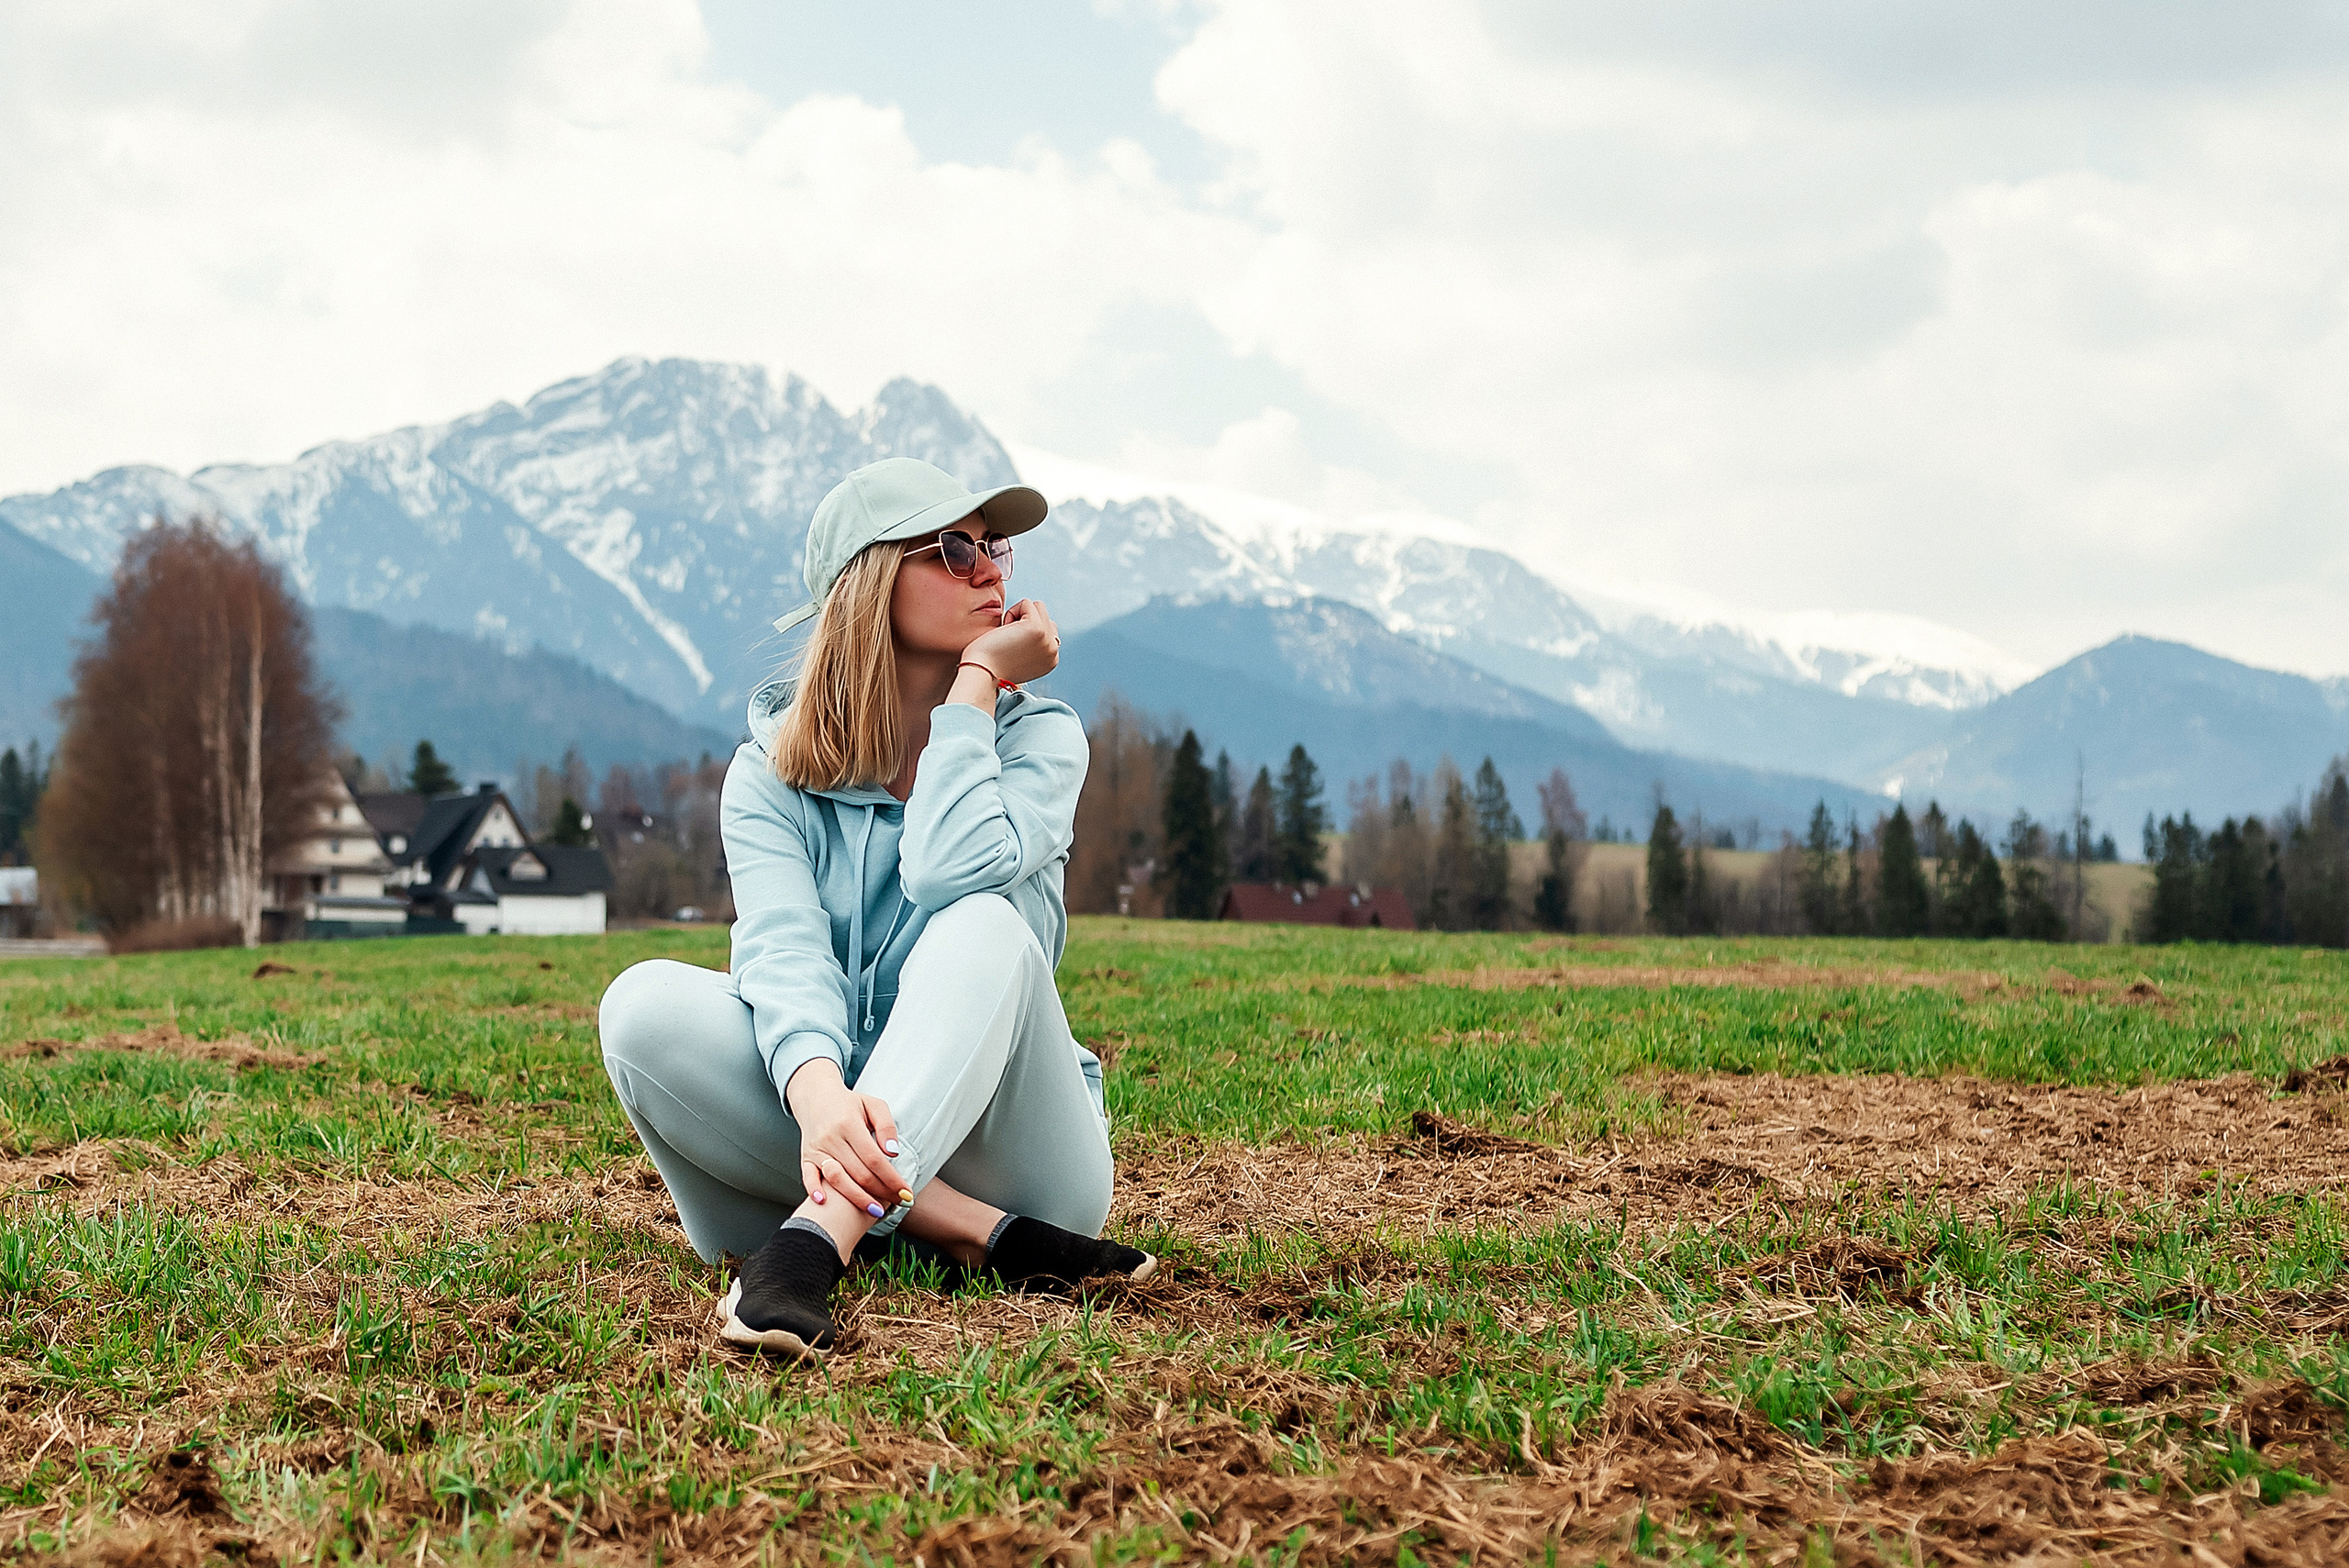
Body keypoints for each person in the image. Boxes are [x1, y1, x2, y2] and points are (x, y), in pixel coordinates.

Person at [597, 457, 1153, 1360]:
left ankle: (814, 1241)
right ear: (869, 583)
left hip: (1022, 1161)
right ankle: (969, 1229)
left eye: (994, 546)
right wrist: (817, 1095)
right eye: (954, 547)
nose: (992, 570)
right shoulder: (767, 771)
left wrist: (975, 688)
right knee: (639, 1006)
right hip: (825, 1138)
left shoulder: (1041, 740)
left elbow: (949, 869)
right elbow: (780, 951)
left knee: (982, 923)